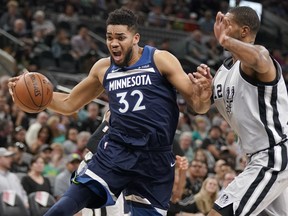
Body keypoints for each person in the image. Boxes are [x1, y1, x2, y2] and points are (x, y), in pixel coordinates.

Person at [8, 8, 212, 216]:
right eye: (109, 37)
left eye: (120, 37)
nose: (114, 43)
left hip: (155, 158)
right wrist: (29, 96)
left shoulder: (160, 60)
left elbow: (198, 107)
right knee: (72, 200)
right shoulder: (103, 68)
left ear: (135, 38)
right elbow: (69, 103)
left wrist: (203, 96)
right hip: (117, 150)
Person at [196, 6, 288, 216]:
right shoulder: (223, 71)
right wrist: (201, 96)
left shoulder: (258, 59)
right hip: (257, 157)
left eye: (227, 23)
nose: (219, 27)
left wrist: (226, 40)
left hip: (274, 154)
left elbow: (259, 59)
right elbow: (199, 109)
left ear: (244, 31)